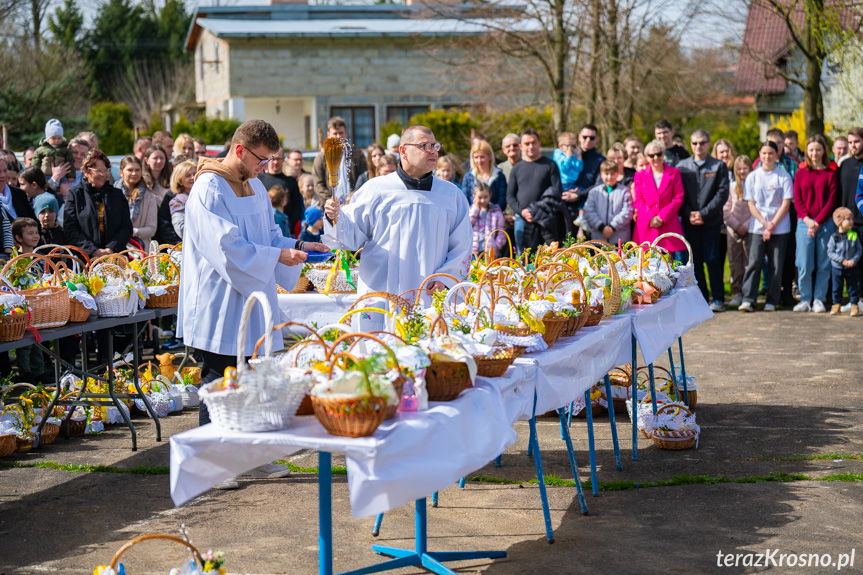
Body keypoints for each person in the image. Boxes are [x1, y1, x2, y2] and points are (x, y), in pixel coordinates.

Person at [179, 120, 327, 491]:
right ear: (240, 150)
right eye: (262, 159)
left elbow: (267, 235)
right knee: (221, 381)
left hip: (253, 297)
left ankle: (249, 456)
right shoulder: (208, 188)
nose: (266, 167)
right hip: (219, 301)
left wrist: (298, 245)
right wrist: (277, 253)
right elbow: (228, 249)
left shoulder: (256, 186)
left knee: (252, 379)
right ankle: (212, 463)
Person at [322, 124, 471, 296]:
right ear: (403, 151)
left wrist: (446, 278)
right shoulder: (375, 190)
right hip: (383, 291)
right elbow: (350, 236)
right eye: (425, 146)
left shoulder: (451, 195)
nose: (433, 151)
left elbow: (462, 246)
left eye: (435, 146)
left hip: (430, 293)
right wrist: (334, 217)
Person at [678, 129, 730, 310]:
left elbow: (722, 193)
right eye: (694, 143)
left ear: (708, 144)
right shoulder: (682, 167)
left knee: (714, 260)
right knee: (695, 261)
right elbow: (679, 194)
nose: (698, 146)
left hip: (711, 222)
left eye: (702, 143)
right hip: (690, 222)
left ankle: (718, 299)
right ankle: (701, 299)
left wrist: (704, 213)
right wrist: (689, 214)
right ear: (690, 145)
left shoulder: (718, 166)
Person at [739, 141, 793, 312]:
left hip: (780, 227)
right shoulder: (753, 177)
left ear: (776, 155)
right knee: (754, 262)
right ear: (759, 155)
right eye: (764, 153)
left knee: (776, 265)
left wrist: (773, 224)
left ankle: (772, 299)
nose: (767, 156)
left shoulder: (783, 176)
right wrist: (764, 223)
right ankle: (749, 299)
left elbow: (786, 203)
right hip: (757, 227)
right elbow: (751, 204)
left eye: (771, 153)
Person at [792, 134, 838, 313]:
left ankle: (819, 298)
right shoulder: (801, 173)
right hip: (804, 223)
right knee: (804, 263)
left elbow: (831, 201)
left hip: (825, 223)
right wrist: (808, 220)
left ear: (824, 151)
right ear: (807, 152)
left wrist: (817, 222)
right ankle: (805, 299)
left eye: (818, 149)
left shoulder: (831, 173)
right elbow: (798, 199)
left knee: (823, 263)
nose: (814, 153)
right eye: (811, 149)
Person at [63, 149, 132, 258]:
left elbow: (126, 227)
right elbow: (70, 229)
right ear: (86, 171)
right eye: (99, 170)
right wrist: (92, 250)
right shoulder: (75, 195)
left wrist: (111, 248)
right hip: (85, 259)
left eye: (105, 170)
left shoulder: (117, 195)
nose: (103, 174)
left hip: (115, 257)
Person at [506, 129, 564, 253]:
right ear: (521, 146)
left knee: (548, 258)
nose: (531, 146)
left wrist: (536, 210)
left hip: (546, 219)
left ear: (539, 143)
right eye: (527, 144)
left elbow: (556, 192)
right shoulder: (517, 168)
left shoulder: (550, 165)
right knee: (523, 259)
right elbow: (510, 196)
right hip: (522, 219)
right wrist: (522, 212)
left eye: (534, 142)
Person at [631, 140, 687, 256]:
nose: (656, 157)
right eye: (652, 155)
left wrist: (661, 217)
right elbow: (638, 200)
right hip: (647, 225)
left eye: (659, 154)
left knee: (671, 268)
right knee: (646, 268)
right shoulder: (640, 176)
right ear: (647, 157)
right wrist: (651, 217)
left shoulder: (674, 173)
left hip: (668, 224)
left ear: (664, 154)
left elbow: (678, 197)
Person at [838, 127, 863, 313]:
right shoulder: (844, 165)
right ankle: (855, 299)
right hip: (849, 225)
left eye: (857, 142)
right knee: (852, 261)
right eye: (851, 142)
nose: (853, 146)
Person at [312, 116, 367, 201]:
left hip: (354, 202)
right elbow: (318, 184)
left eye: (341, 133)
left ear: (346, 134)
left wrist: (353, 196)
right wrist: (332, 200)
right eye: (335, 133)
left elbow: (364, 178)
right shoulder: (321, 158)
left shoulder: (357, 155)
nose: (338, 137)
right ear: (328, 135)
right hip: (330, 205)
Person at [724, 155, 753, 308]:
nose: (742, 171)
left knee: (749, 262)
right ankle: (737, 292)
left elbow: (758, 208)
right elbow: (726, 210)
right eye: (739, 169)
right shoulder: (731, 187)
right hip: (733, 231)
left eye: (745, 168)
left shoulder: (754, 186)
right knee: (735, 262)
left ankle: (748, 293)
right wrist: (736, 225)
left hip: (750, 230)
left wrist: (747, 225)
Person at [564, 124, 605, 232]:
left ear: (597, 140)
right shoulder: (566, 155)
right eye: (584, 137)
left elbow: (599, 185)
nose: (588, 140)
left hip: (588, 210)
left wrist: (578, 195)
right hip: (565, 206)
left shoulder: (600, 161)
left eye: (592, 138)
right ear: (579, 137)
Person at [582, 160, 633, 245]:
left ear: (617, 174)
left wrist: (612, 227)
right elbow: (589, 211)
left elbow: (627, 211)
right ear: (601, 175)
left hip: (619, 239)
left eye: (612, 174)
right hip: (599, 239)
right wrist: (601, 227)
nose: (609, 177)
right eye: (606, 174)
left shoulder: (624, 191)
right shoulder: (594, 192)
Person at [258, 149, 303, 236]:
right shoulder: (259, 181)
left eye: (278, 159)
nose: (275, 162)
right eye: (272, 159)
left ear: (283, 159)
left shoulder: (291, 182)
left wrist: (289, 226)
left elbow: (297, 207)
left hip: (286, 231)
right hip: (264, 230)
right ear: (267, 159)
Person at [115, 155, 158, 246]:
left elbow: (152, 229)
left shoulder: (149, 196)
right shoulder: (112, 193)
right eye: (130, 170)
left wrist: (132, 232)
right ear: (121, 172)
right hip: (116, 247)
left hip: (140, 249)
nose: (134, 173)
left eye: (137, 170)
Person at [827, 207, 861, 316]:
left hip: (851, 266)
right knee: (837, 288)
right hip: (837, 267)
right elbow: (830, 252)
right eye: (848, 219)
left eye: (852, 219)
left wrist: (853, 260)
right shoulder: (834, 237)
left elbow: (859, 250)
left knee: (853, 287)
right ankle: (836, 305)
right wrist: (842, 260)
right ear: (839, 221)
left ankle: (854, 306)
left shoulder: (854, 235)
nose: (851, 221)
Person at [461, 139, 507, 208]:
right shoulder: (468, 177)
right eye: (476, 157)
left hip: (494, 216)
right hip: (473, 216)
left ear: (490, 157)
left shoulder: (499, 176)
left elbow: (502, 200)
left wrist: (490, 211)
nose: (479, 161)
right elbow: (464, 200)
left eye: (482, 157)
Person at [470, 181, 506, 256]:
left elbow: (501, 231)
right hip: (473, 251)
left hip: (490, 251)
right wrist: (475, 209)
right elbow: (467, 226)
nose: (483, 200)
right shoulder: (470, 210)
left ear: (490, 195)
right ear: (474, 196)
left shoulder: (496, 211)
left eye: (485, 197)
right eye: (480, 197)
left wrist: (496, 245)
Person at [553, 132, 583, 207]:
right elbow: (564, 169)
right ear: (560, 146)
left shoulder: (573, 155)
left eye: (573, 146)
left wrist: (579, 157)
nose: (571, 148)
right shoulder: (558, 154)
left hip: (573, 183)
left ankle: (581, 211)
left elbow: (579, 169)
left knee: (585, 193)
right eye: (568, 146)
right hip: (563, 184)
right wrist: (568, 158)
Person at [168, 160, 197, 239]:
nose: (193, 177)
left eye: (195, 174)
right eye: (188, 175)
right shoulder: (177, 202)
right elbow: (181, 230)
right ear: (180, 180)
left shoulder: (207, 195)